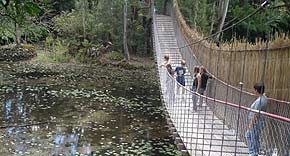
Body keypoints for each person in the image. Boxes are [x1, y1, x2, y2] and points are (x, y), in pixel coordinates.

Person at [245, 82, 268, 156]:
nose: (253, 91)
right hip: (260, 122)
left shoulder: (259, 101)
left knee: (250, 136)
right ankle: (255, 152)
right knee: (255, 137)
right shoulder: (264, 98)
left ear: (256, 90)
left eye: (254, 90)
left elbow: (255, 114)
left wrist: (250, 124)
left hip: (256, 122)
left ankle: (253, 152)